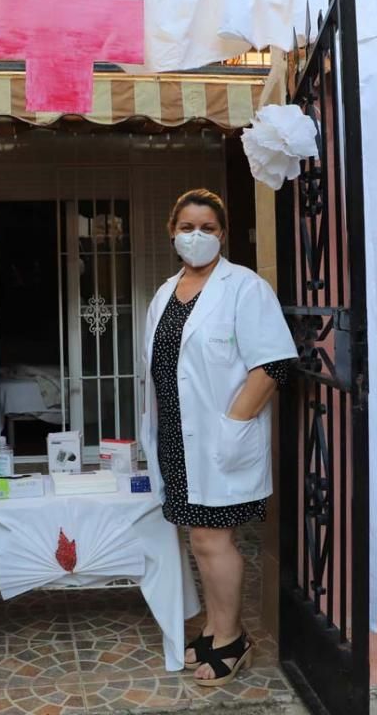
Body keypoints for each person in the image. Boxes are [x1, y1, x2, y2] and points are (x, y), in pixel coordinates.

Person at [140, 189, 297, 687]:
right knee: (199, 538)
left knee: (213, 537)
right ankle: (212, 626)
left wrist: (234, 425)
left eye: (208, 227)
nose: (197, 235)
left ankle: (232, 639)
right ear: (173, 231)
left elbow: (271, 364)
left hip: (219, 436)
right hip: (177, 437)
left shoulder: (244, 288)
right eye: (188, 226)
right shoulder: (166, 293)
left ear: (222, 234)